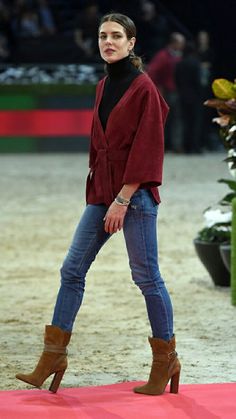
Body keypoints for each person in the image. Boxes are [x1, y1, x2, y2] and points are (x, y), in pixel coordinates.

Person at [16, 12, 181, 396]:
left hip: (134, 196)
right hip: (102, 193)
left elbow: (149, 148)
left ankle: (166, 359)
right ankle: (53, 356)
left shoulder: (144, 88)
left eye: (116, 36)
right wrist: (101, 193)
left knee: (146, 277)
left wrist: (124, 197)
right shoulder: (103, 84)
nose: (108, 42)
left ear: (132, 42)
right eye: (103, 36)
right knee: (71, 269)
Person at [147, 32, 185, 152]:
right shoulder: (163, 56)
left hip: (177, 92)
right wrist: (157, 89)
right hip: (166, 92)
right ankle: (160, 146)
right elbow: (152, 72)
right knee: (163, 121)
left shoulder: (180, 56)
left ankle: (176, 145)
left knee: (177, 120)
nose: (182, 46)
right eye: (180, 43)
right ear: (173, 43)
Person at [175, 41, 202, 153]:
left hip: (182, 95)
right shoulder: (196, 63)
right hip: (194, 96)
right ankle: (195, 147)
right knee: (195, 122)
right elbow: (198, 81)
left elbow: (176, 80)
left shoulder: (179, 64)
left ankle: (186, 146)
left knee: (184, 122)